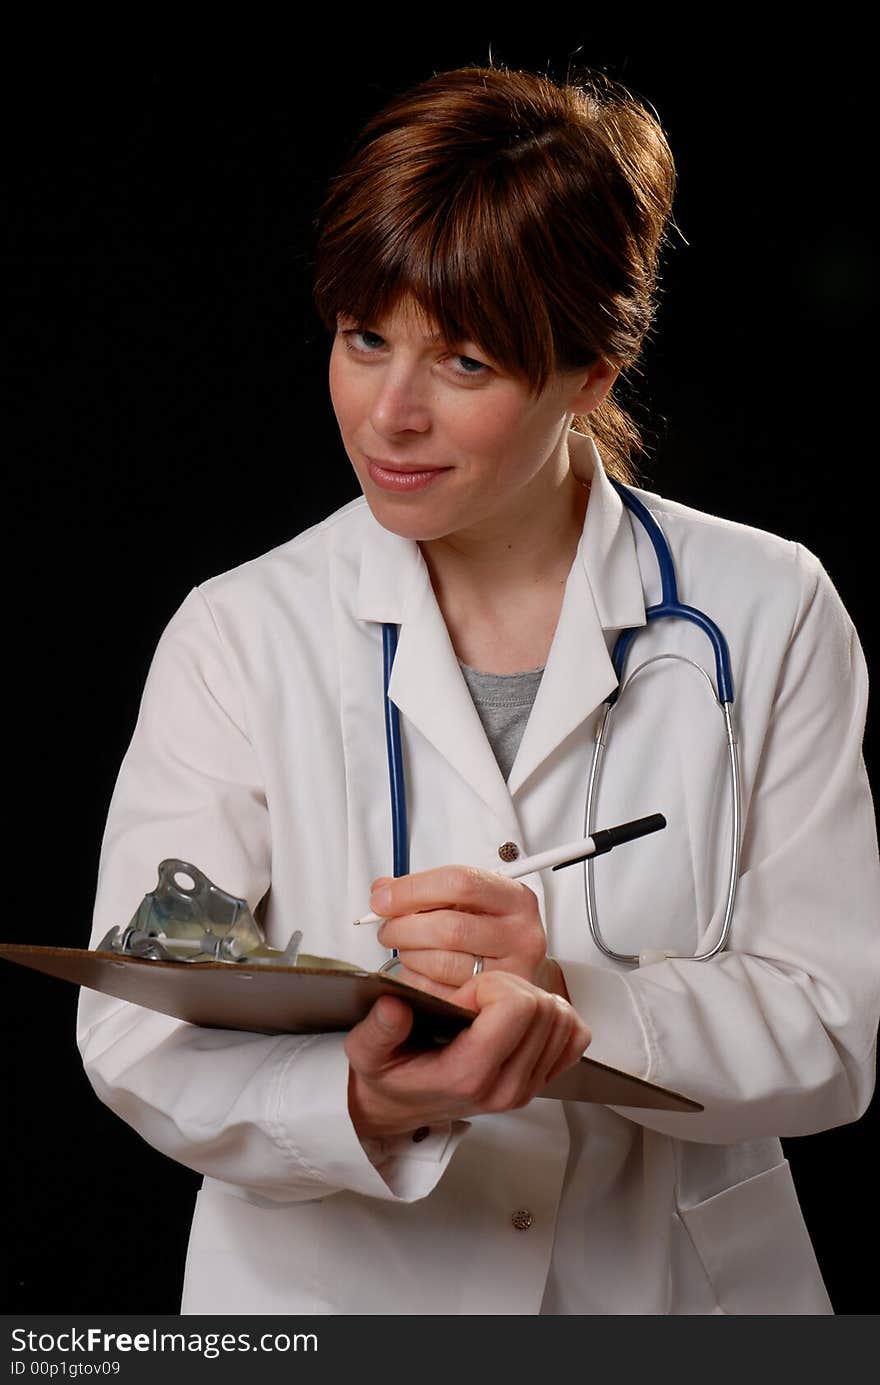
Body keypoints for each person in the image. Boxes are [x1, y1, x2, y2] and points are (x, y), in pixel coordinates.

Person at [76, 62, 880, 1315]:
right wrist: (361, 1098)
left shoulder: (765, 610)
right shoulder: (239, 632)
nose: (389, 415)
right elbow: (136, 1031)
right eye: (364, 339)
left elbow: (830, 1037)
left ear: (591, 375)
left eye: (463, 359)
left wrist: (572, 996)